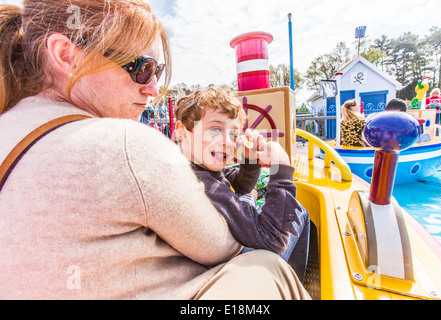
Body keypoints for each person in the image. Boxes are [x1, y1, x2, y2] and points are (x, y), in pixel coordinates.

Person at [0, 1, 310, 300]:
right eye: (141, 68)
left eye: (157, 73)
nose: (152, 89)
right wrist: (281, 170)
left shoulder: (12, 127)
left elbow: (233, 187)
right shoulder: (124, 144)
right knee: (268, 265)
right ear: (65, 54)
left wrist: (249, 170)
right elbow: (236, 244)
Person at [174, 87, 310, 282]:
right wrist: (281, 168)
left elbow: (241, 186)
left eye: (233, 134)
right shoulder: (203, 186)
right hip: (223, 275)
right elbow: (274, 239)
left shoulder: (194, 167)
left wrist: (249, 160)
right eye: (215, 129)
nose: (227, 143)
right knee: (300, 214)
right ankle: (289, 287)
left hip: (215, 261)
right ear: (182, 132)